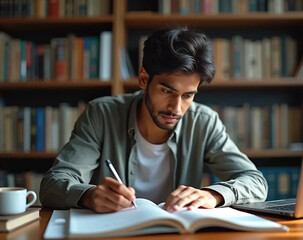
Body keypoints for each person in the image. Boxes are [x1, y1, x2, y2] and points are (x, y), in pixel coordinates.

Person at [40, 27, 267, 213]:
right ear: (143, 79)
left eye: (188, 95)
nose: (176, 108)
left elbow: (255, 181)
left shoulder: (204, 121)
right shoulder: (102, 114)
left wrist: (213, 195)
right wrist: (89, 196)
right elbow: (52, 184)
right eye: (167, 91)